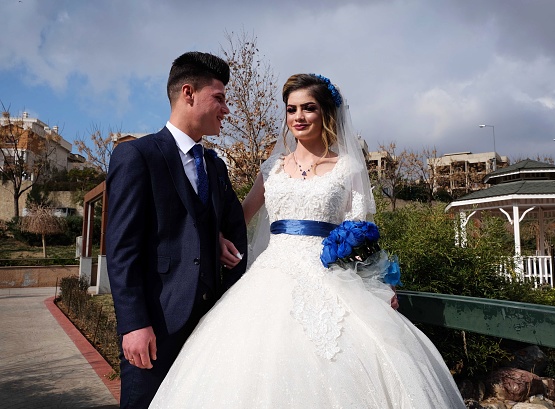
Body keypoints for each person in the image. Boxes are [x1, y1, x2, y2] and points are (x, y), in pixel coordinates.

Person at [149, 74, 465, 408]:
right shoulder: (271, 167)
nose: (298, 116)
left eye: (308, 108)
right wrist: (214, 239)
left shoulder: (347, 168)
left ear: (326, 114)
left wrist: (380, 284)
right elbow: (239, 217)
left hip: (329, 276)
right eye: (291, 109)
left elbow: (360, 230)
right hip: (269, 276)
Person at [105, 51, 248, 409]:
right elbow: (122, 250)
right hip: (155, 329)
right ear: (188, 93)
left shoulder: (215, 166)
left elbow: (234, 228)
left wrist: (213, 239)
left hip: (208, 330)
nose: (226, 110)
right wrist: (134, 324)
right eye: (219, 98)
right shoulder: (137, 156)